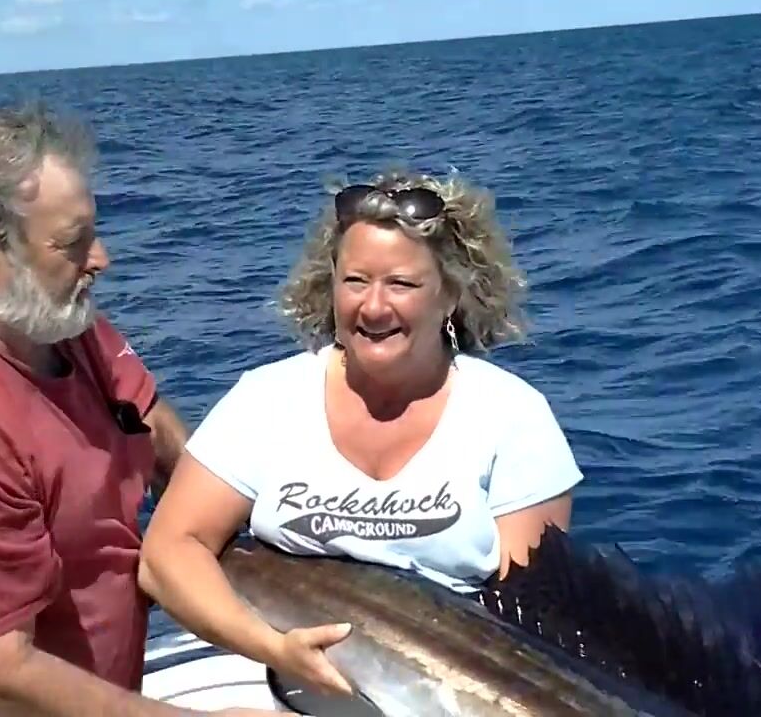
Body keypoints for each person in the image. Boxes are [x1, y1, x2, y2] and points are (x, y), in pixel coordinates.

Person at [0, 102, 290, 717]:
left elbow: (147, 421)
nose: (101, 259)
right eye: (72, 243)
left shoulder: (48, 321)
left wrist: (255, 525)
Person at [138, 168, 587, 699]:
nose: (373, 307)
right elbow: (168, 553)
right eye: (355, 281)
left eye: (401, 284)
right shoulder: (267, 398)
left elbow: (531, 633)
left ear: (449, 295)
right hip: (272, 680)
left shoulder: (514, 416)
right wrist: (273, 648)